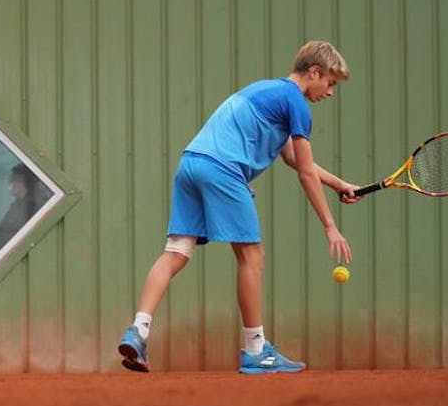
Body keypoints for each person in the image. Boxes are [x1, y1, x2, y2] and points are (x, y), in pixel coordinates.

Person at [118, 41, 359, 374]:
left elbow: (293, 159)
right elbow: (305, 171)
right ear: (314, 72)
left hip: (191, 165)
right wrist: (330, 226)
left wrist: (339, 184)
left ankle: (139, 329)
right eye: (330, 83)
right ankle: (256, 349)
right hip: (223, 170)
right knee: (252, 256)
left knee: (176, 252)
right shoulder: (297, 104)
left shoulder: (268, 92)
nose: (330, 92)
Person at [0, 164, 50, 252]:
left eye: (12, 180)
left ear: (21, 182)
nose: (10, 184)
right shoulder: (19, 204)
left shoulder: (36, 206)